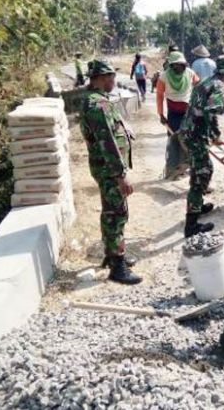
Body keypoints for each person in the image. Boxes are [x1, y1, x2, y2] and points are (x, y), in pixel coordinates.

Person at [79, 60, 142, 285]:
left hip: (105, 168)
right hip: (108, 170)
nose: (113, 81)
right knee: (117, 213)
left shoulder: (97, 100)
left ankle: (111, 253)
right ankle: (117, 266)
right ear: (100, 78)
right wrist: (120, 175)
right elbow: (107, 142)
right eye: (110, 77)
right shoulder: (98, 105)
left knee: (111, 210)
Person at [180, 55, 224, 237]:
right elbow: (210, 111)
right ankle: (191, 226)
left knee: (202, 170)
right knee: (201, 175)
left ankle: (197, 207)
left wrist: (213, 135)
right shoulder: (220, 87)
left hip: (188, 131)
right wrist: (215, 134)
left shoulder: (206, 82)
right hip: (196, 135)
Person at [156, 51, 201, 180]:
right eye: (176, 65)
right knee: (174, 140)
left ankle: (186, 169)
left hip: (187, 113)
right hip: (173, 113)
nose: (180, 68)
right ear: (171, 65)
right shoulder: (163, 77)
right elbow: (159, 96)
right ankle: (171, 169)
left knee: (189, 140)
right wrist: (160, 113)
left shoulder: (190, 73)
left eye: (182, 65)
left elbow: (199, 86)